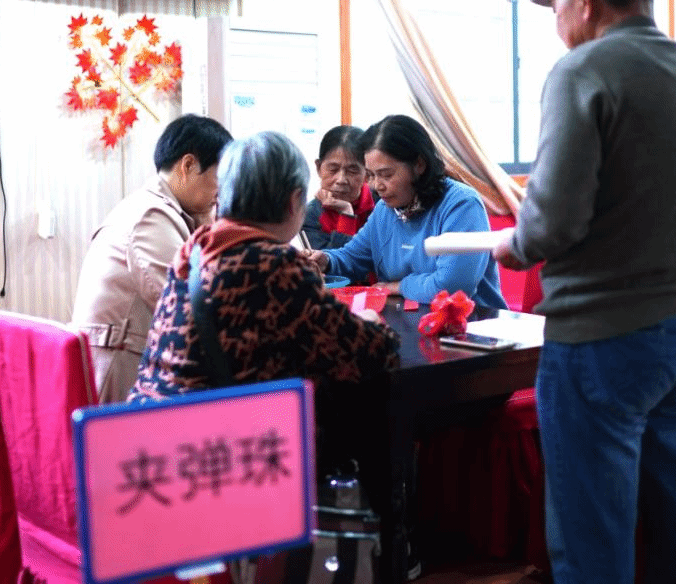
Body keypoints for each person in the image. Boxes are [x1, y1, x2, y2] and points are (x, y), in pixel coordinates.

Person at [492, 0, 676, 584]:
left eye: (555, 8)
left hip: (604, 338)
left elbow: (551, 222)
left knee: (592, 538)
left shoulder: (583, 72)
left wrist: (511, 244)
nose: (556, 24)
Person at [131, 130, 399, 405]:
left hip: (153, 420)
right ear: (294, 200)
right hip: (215, 427)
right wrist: (370, 320)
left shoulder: (196, 250)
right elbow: (372, 352)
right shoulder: (276, 266)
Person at [70, 114, 233, 403]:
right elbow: (190, 308)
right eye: (220, 178)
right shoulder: (151, 216)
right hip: (120, 377)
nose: (221, 192)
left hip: (130, 366)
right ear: (188, 165)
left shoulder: (162, 209)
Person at [307, 114, 507, 308]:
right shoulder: (385, 210)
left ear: (419, 165)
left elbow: (451, 288)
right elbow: (353, 257)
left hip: (473, 325)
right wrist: (327, 260)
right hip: (410, 321)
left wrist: (399, 286)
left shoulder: (461, 204)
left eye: (386, 175)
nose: (377, 186)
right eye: (371, 175)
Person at [302, 125, 376, 250]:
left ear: (367, 174)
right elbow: (329, 261)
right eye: (333, 169)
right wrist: (346, 215)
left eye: (352, 171)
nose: (341, 180)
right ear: (318, 168)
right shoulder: (310, 216)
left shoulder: (382, 206)